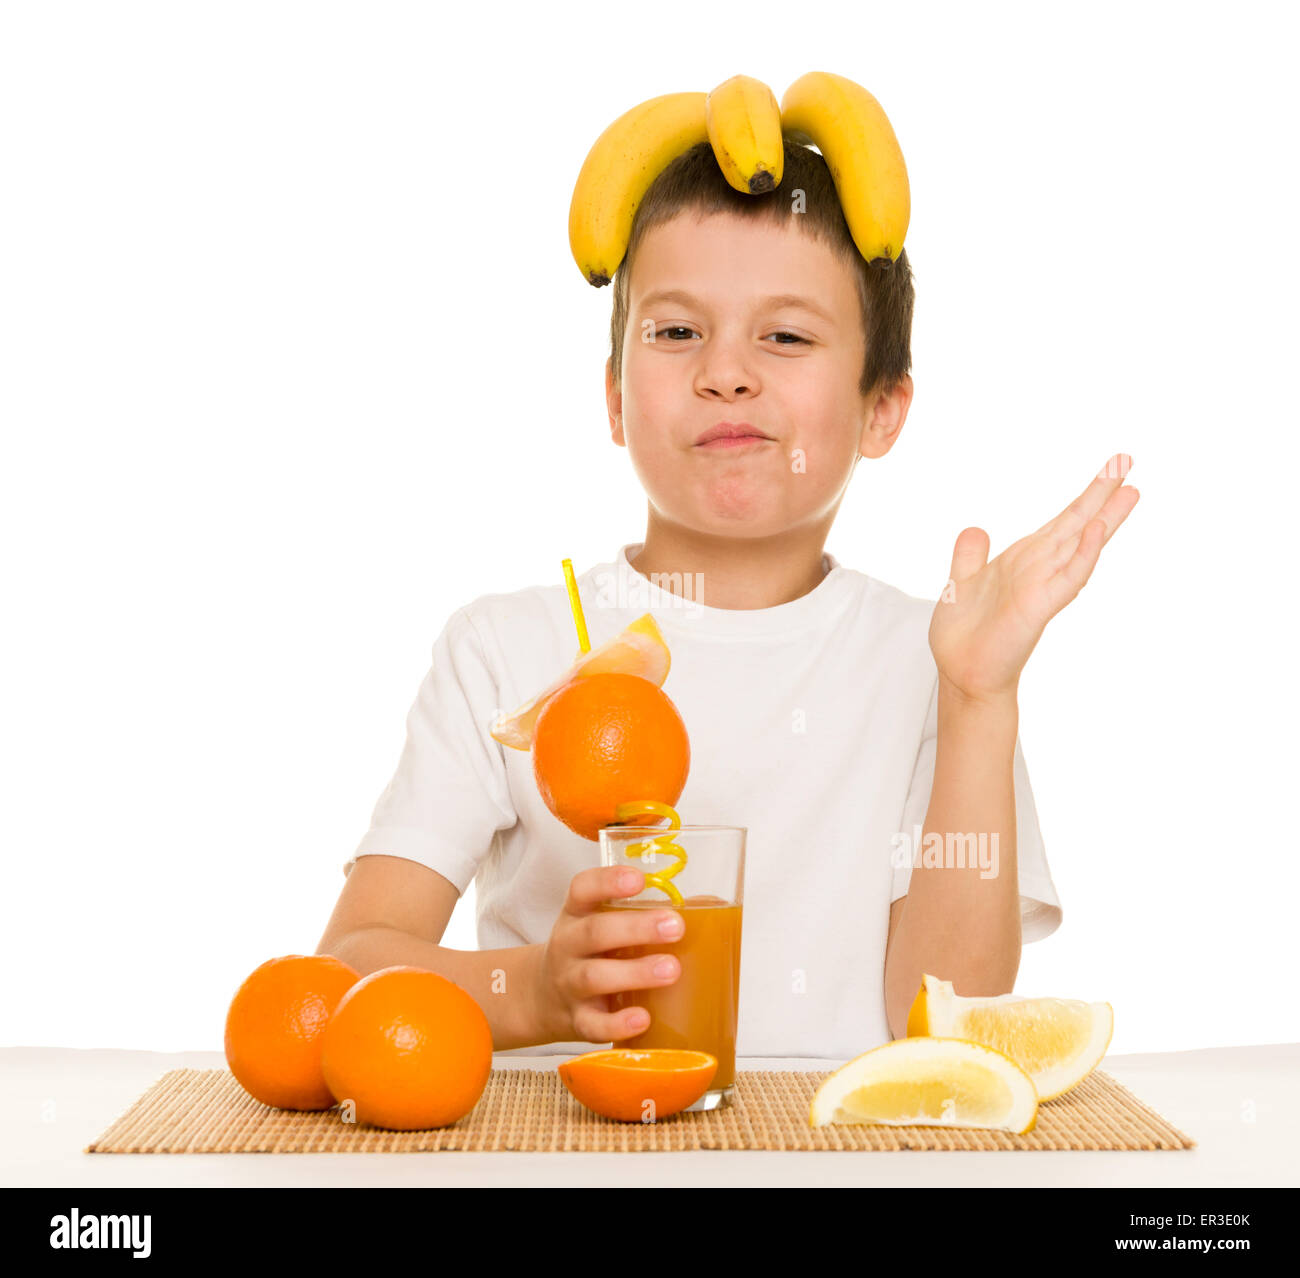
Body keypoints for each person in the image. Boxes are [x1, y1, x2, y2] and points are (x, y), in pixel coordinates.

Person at [315, 137, 1138, 1059]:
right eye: (676, 332)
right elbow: (346, 968)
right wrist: (535, 991)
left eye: (785, 336)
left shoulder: (938, 659)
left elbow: (952, 1025)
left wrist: (981, 702)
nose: (726, 372)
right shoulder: (505, 648)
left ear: (883, 408)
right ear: (617, 399)